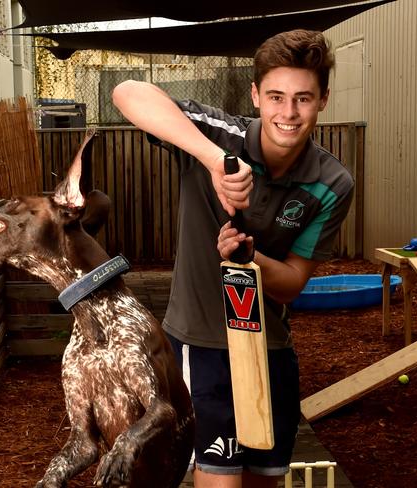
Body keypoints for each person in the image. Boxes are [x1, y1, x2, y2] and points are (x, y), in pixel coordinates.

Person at [112, 29, 354, 488]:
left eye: (303, 98)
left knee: (264, 481)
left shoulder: (332, 182)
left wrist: (251, 258)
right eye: (276, 96)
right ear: (255, 95)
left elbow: (293, 284)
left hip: (272, 351)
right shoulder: (218, 133)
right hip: (201, 347)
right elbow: (127, 92)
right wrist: (212, 160)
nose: (288, 113)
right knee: (220, 480)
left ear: (323, 99)